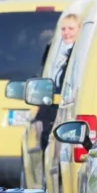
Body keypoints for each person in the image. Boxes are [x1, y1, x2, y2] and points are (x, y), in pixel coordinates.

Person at [33, 13, 80, 149]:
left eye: (71, 29)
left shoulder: (77, 55)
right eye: (63, 29)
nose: (66, 33)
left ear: (80, 30)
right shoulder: (58, 52)